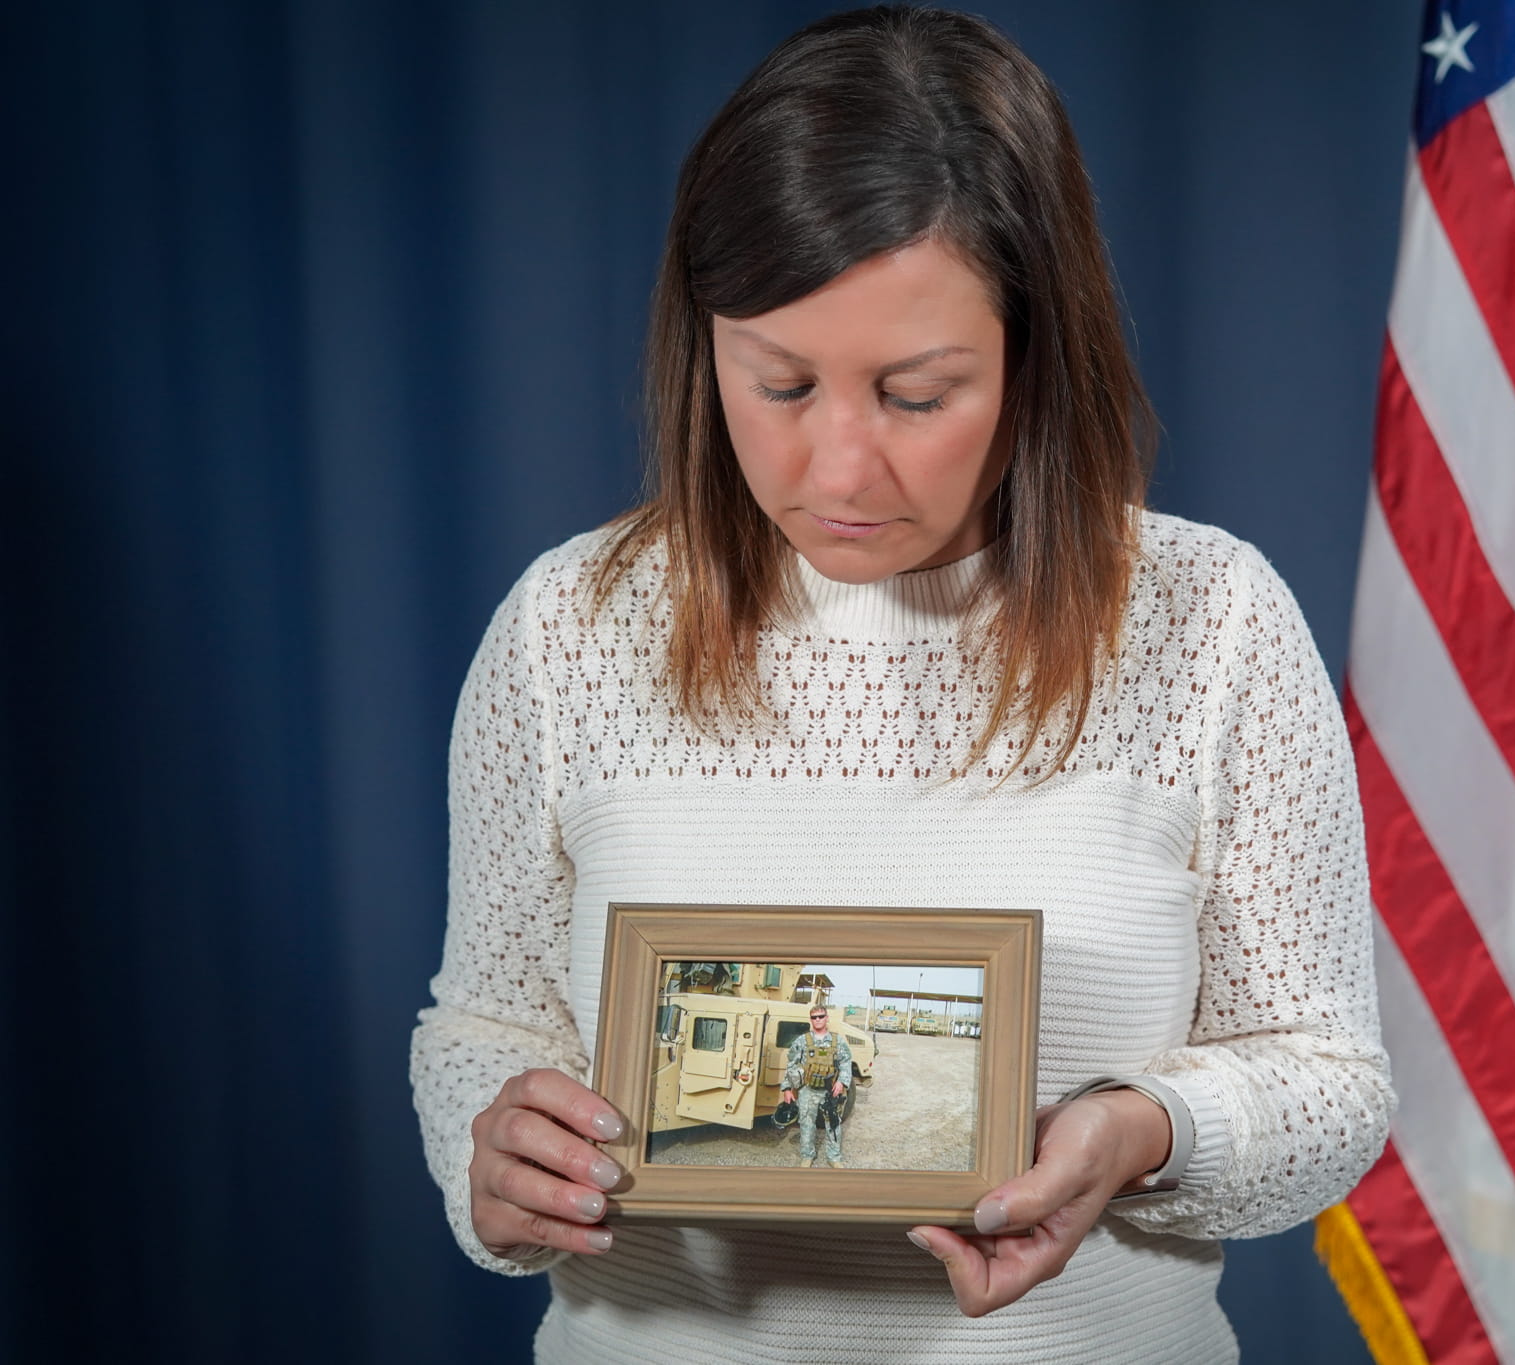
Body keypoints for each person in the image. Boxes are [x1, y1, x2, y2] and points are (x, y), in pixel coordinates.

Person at [409, 7, 1394, 1361]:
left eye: (917, 393)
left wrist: (1138, 1132)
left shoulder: (1207, 625)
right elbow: (488, 1018)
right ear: (706, 346)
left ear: (1038, 360)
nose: (837, 468)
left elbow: (1329, 1083)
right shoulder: (567, 628)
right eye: (780, 382)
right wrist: (495, 1144)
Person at [782, 1005, 852, 1168]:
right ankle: (807, 1155)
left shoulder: (837, 1041)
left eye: (821, 1016)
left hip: (830, 1091)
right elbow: (791, 1064)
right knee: (806, 1123)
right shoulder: (803, 1041)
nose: (818, 1020)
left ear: (827, 1018)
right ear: (811, 1020)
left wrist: (841, 1082)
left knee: (833, 1124)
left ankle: (834, 1157)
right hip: (808, 1089)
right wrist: (787, 1089)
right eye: (814, 1017)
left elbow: (845, 1063)